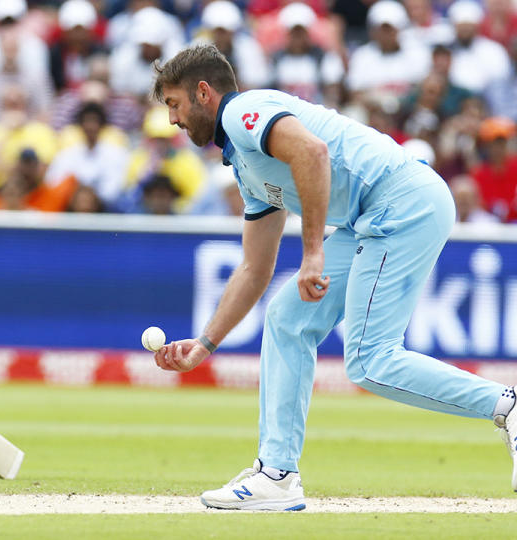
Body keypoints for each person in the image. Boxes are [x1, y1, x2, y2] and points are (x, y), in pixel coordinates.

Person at [150, 44, 517, 511]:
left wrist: (313, 253)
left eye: (174, 104)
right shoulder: (244, 163)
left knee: (369, 360)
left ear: (204, 92)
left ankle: (507, 405)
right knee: (286, 317)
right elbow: (255, 267)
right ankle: (276, 476)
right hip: (378, 211)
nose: (172, 121)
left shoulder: (245, 110)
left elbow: (312, 152)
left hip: (401, 201)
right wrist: (205, 344)